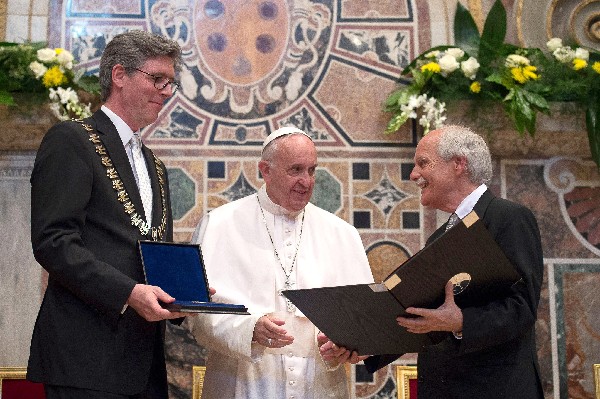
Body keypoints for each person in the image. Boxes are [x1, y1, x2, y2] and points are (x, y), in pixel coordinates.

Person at [27, 30, 190, 398]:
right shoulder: (71, 140)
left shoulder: (155, 165)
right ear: (119, 76)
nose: (166, 91)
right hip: (85, 359)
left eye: (171, 83)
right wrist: (129, 292)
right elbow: (53, 243)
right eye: (157, 79)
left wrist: (181, 293)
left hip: (144, 362)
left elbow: (149, 251)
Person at [185, 126, 374, 399]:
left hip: (319, 385)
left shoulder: (342, 233)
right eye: (295, 170)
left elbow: (363, 317)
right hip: (243, 383)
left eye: (311, 170)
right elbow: (197, 315)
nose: (306, 181)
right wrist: (250, 329)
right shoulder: (219, 225)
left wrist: (345, 343)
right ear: (265, 170)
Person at [364, 125, 544, 398]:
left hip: (494, 389)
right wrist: (364, 345)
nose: (414, 175)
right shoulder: (438, 237)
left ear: (459, 163)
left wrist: (461, 321)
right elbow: (420, 314)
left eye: (423, 163)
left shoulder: (508, 218)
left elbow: (522, 309)